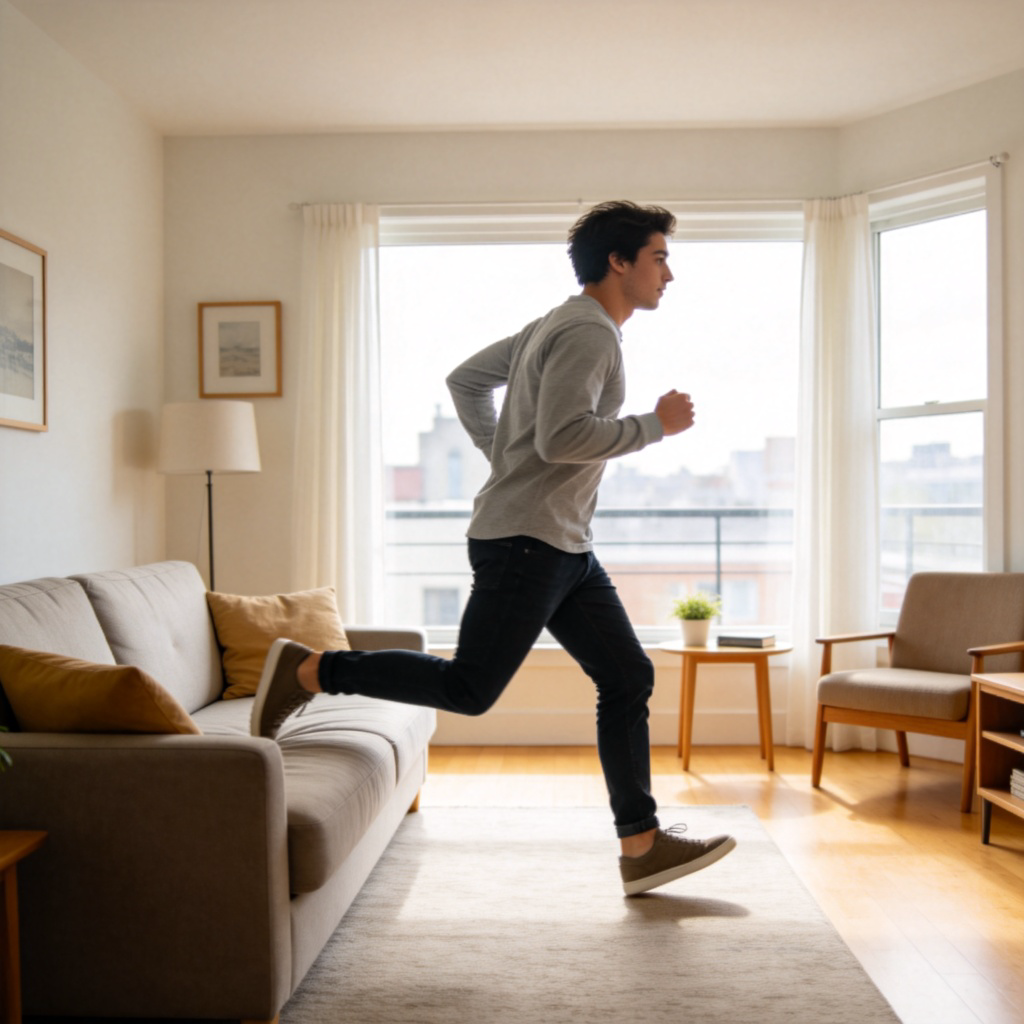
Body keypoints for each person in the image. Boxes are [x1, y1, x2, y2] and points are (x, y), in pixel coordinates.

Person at [253, 200, 736, 895]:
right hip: (527, 542)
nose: (670, 272)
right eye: (659, 256)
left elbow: (467, 382)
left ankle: (642, 844)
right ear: (619, 262)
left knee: (628, 676)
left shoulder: (552, 324)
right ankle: (313, 671)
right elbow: (562, 438)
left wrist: (501, 453)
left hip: (563, 544)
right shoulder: (589, 334)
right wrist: (652, 426)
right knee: (470, 689)